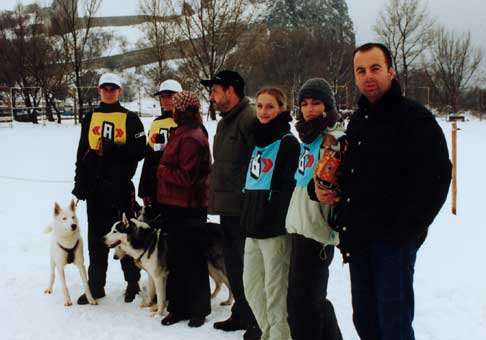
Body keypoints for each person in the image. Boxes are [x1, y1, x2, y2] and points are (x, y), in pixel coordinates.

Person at [316, 43, 452, 340]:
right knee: (364, 318)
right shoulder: (358, 121)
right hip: (359, 237)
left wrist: (409, 229)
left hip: (393, 242)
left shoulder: (415, 119)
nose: (368, 76)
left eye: (375, 68)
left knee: (393, 322)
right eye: (361, 71)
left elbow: (438, 177)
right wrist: (333, 193)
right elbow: (353, 174)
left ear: (390, 71)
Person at [72, 72, 146, 305]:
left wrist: (115, 148)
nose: (109, 92)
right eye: (105, 88)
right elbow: (82, 152)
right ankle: (96, 286)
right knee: (96, 240)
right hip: (95, 190)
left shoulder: (130, 117)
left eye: (113, 88)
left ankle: (132, 282)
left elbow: (140, 150)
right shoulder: (90, 117)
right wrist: (79, 184)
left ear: (119, 91)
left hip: (121, 189)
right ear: (99, 90)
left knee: (125, 237)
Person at [200, 70, 260, 339]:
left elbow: (259, 165)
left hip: (244, 208)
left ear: (231, 91)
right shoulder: (225, 122)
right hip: (227, 208)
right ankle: (241, 313)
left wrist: (251, 202)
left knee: (250, 267)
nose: (211, 96)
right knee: (235, 265)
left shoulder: (249, 119)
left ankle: (257, 320)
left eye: (215, 90)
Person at [285, 78, 344, 340]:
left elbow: (336, 187)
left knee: (304, 305)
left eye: (316, 103)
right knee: (309, 301)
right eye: (304, 104)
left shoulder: (334, 139)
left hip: (318, 232)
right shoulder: (309, 137)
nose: (309, 109)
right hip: (300, 227)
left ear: (328, 106)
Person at [241, 87, 300, 340]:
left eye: (270, 106)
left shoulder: (288, 143)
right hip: (252, 229)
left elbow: (288, 189)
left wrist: (272, 218)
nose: (263, 111)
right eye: (260, 106)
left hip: (274, 231)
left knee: (275, 293)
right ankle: (270, 334)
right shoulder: (256, 141)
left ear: (281, 109)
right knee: (252, 289)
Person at [157, 90, 211, 328]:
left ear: (181, 110)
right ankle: (178, 307)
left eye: (175, 107)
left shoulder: (190, 136)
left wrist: (162, 169)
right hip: (178, 205)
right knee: (179, 258)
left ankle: (197, 309)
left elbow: (186, 177)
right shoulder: (185, 132)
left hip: (187, 207)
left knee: (192, 259)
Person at [138, 79, 181, 210]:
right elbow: (149, 157)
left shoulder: (187, 122)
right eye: (163, 96)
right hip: (156, 184)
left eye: (170, 96)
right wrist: (144, 188)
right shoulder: (156, 123)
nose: (166, 100)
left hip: (179, 187)